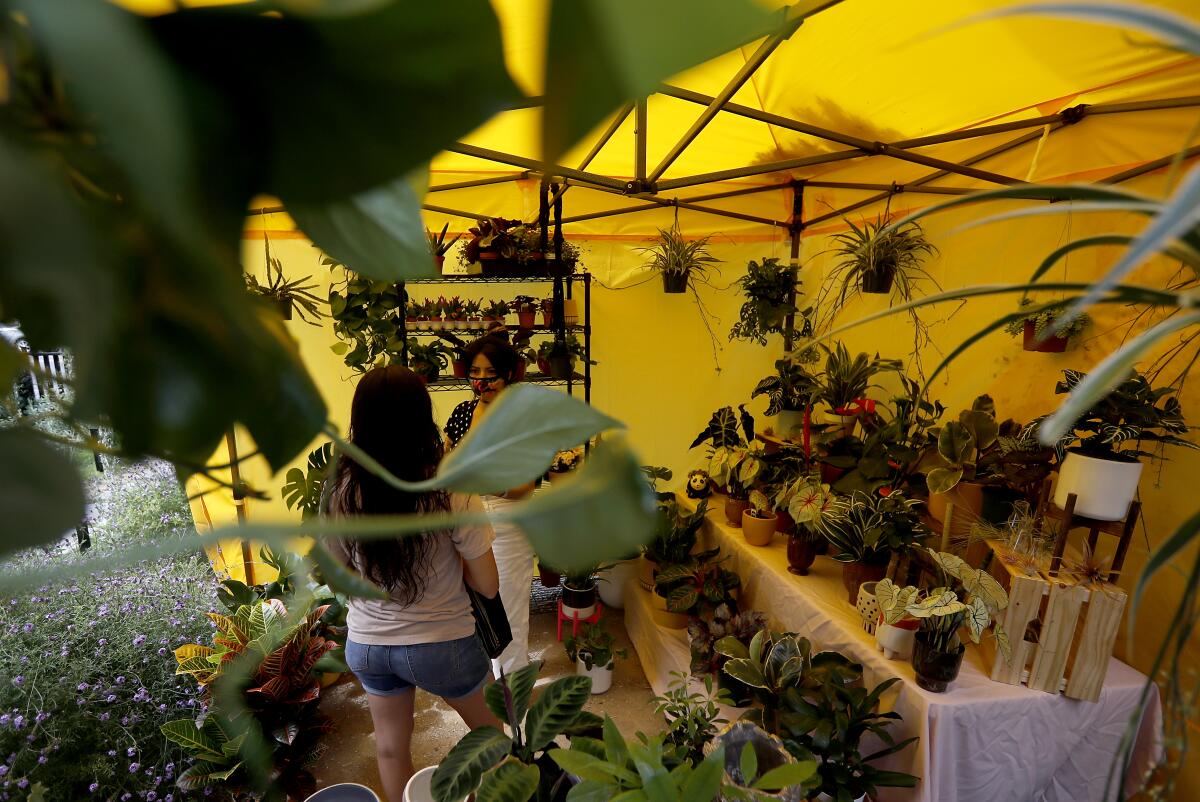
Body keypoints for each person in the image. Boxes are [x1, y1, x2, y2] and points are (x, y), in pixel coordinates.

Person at [325, 365, 500, 801]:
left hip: (367, 646)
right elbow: (489, 585)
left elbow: (335, 572)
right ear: (422, 415)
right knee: (497, 737)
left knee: (389, 749)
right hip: (445, 645)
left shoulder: (343, 490)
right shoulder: (449, 486)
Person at [444, 334, 537, 678]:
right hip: (463, 518)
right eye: (474, 372)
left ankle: (516, 699)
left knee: (509, 612)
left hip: (508, 522)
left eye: (490, 372)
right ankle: (488, 691)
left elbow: (524, 487)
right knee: (471, 612)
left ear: (510, 374)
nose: (481, 381)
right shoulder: (462, 413)